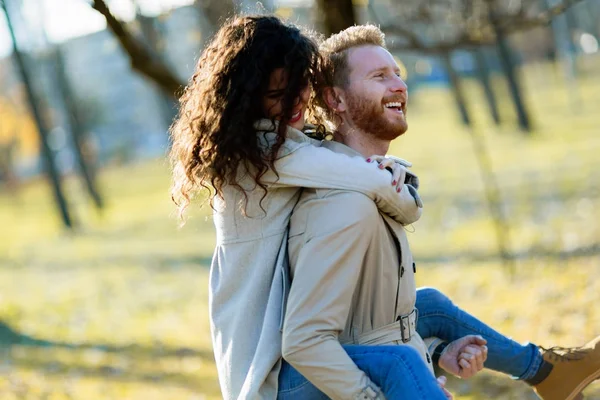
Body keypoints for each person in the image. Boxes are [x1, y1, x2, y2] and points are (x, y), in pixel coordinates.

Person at [278, 24, 600, 400]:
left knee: (427, 305)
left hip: (370, 356)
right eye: (379, 76)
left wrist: (433, 352)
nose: (398, 85)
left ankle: (547, 372)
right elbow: (307, 341)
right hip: (322, 384)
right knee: (405, 357)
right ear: (336, 100)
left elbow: (363, 326)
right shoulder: (344, 204)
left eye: (398, 73)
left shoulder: (373, 182)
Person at [169, 15, 462, 400]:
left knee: (429, 310)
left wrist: (386, 167)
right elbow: (377, 187)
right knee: (399, 364)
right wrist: (396, 188)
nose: (295, 103)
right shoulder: (261, 159)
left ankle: (542, 370)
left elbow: (348, 164)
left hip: (295, 349)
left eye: (300, 86)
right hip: (269, 369)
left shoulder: (287, 144)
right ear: (248, 97)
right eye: (277, 95)